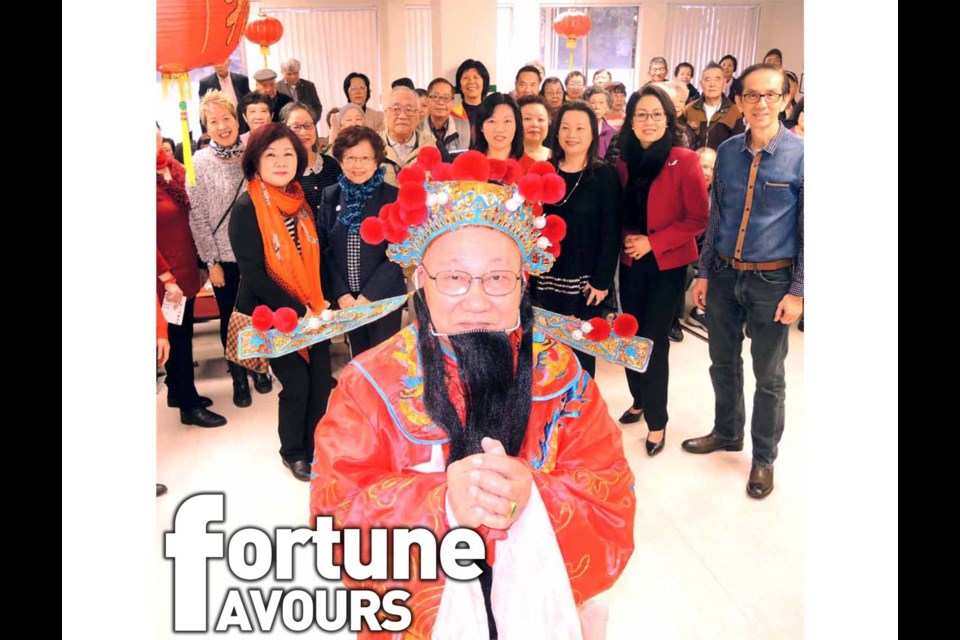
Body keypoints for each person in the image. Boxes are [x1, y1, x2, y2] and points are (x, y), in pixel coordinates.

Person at [309, 150, 636, 638]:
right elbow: (332, 523)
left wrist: (537, 496)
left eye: (498, 278)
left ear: (524, 282)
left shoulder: (562, 377)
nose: (478, 300)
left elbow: (613, 497)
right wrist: (440, 503)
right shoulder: (369, 385)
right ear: (422, 281)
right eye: (455, 278)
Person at [685, 64, 804, 499]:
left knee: (769, 377)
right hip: (722, 274)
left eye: (770, 95)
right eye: (752, 95)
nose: (761, 103)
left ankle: (763, 458)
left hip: (773, 281)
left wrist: (800, 291)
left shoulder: (803, 155)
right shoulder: (730, 152)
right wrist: (703, 272)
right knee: (722, 361)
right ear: (740, 101)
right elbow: (716, 219)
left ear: (785, 100)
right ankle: (727, 431)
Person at [229, 123, 331, 482]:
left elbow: (312, 255)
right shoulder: (246, 207)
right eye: (270, 154)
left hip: (312, 309)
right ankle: (293, 452)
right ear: (255, 161)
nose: (280, 161)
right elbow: (254, 273)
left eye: (288, 153)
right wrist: (299, 310)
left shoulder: (299, 201)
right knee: (297, 386)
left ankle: (315, 446)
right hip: (274, 314)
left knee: (320, 382)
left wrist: (316, 305)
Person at [615, 85, 709, 457]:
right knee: (628, 336)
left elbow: (698, 218)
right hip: (630, 262)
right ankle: (638, 399)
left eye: (656, 114)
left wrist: (653, 243)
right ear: (632, 121)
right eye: (641, 115)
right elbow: (620, 212)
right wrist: (627, 239)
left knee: (652, 343)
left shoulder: (683, 160)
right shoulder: (623, 162)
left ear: (668, 119)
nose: (648, 121)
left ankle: (657, 420)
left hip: (666, 265)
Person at [189, 91, 273, 408]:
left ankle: (258, 366)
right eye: (214, 121)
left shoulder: (253, 155)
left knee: (260, 314)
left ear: (237, 119)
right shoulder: (198, 163)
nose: (222, 126)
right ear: (205, 126)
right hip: (223, 259)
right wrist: (210, 262)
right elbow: (197, 218)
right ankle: (238, 373)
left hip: (258, 254)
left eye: (227, 118)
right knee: (231, 318)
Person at [532, 101, 620, 378]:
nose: (572, 134)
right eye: (566, 127)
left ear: (592, 134)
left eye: (580, 128)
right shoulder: (544, 170)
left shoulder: (603, 174)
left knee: (581, 350)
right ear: (556, 133)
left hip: (585, 282)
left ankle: (581, 411)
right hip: (545, 278)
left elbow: (612, 231)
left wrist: (602, 280)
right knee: (546, 350)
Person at [157, 124, 228, 428]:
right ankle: (188, 405)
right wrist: (164, 276)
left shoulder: (172, 167)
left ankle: (177, 390)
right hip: (164, 275)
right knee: (177, 339)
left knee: (182, 334)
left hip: (185, 268)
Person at [318, 126, 404, 358]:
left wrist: (369, 296)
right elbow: (324, 250)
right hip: (347, 301)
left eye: (365, 158)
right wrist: (342, 294)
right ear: (340, 161)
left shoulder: (392, 197)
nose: (358, 165)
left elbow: (399, 251)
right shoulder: (331, 195)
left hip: (383, 298)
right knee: (359, 360)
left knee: (383, 361)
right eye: (351, 158)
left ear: (376, 161)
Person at [280, 102, 342, 219]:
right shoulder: (283, 171)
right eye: (296, 127)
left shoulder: (330, 163)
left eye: (308, 125)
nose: (303, 132)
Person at [380, 86, 445, 186]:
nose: (402, 116)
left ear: (418, 115)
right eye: (396, 109)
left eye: (409, 109)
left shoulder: (432, 147)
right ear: (385, 113)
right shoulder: (372, 146)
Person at [683, 62, 745, 151]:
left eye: (717, 79)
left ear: (724, 83)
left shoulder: (734, 111)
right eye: (708, 79)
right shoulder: (689, 109)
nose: (712, 84)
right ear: (701, 83)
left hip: (721, 163)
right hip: (694, 162)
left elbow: (738, 145)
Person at [421, 77, 471, 154]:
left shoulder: (466, 127)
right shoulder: (416, 129)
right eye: (435, 97)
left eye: (446, 97)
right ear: (427, 100)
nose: (441, 102)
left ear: (452, 102)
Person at [198, 60, 250, 132]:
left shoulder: (241, 80)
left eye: (222, 62)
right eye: (216, 63)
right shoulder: (206, 83)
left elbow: (248, 103)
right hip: (220, 125)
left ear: (229, 62)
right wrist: (206, 132)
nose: (219, 66)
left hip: (242, 123)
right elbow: (203, 110)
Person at [473, 93, 525, 164]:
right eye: (492, 121)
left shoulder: (529, 167)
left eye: (507, 121)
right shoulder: (469, 165)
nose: (499, 129)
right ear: (481, 126)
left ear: (517, 125)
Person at [329, 72, 385, 137]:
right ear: (347, 91)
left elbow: (382, 142)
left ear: (367, 91)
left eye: (362, 87)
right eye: (353, 88)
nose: (358, 91)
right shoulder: (336, 117)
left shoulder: (377, 117)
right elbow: (333, 144)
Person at [276, 58, 323, 124]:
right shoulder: (277, 88)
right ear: (282, 72)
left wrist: (311, 121)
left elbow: (317, 106)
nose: (293, 77)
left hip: (307, 125)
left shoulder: (309, 86)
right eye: (289, 74)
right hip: (285, 128)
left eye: (296, 73)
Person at [452, 59, 492, 133]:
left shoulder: (492, 112)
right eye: (465, 78)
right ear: (459, 84)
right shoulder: (452, 114)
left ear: (484, 83)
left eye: (476, 77)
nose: (471, 82)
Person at [584, 86, 616, 158]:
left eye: (601, 103)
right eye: (592, 102)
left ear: (607, 107)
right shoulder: (579, 130)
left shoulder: (613, 133)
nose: (597, 107)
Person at [517, 95, 551, 162]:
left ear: (549, 122)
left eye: (540, 119)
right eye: (527, 118)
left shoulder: (558, 158)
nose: (534, 124)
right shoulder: (507, 157)